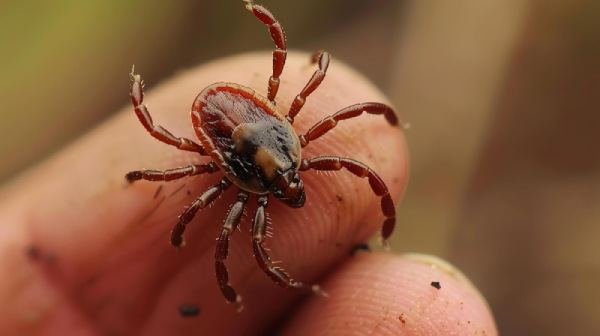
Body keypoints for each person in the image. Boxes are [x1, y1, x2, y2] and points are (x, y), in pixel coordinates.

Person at [0, 52, 497, 335]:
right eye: (286, 183)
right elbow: (232, 238)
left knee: (346, 167)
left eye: (286, 181)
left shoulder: (259, 179)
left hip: (232, 126)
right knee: (250, 238)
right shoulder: (259, 175)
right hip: (232, 124)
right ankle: (257, 291)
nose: (291, 188)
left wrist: (181, 231)